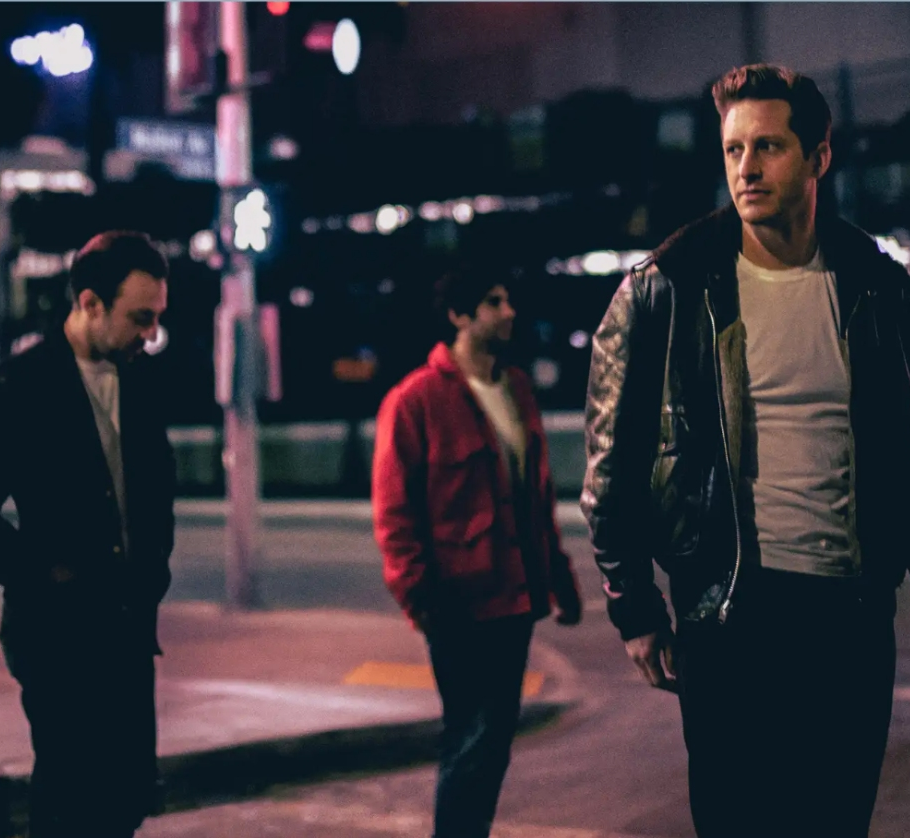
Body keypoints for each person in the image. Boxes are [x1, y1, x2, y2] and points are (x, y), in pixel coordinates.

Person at [582, 63, 910, 838]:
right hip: (731, 617)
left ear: (818, 157)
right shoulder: (666, 287)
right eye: (733, 149)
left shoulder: (873, 285)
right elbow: (609, 467)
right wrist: (634, 607)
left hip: (850, 617)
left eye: (767, 146)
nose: (746, 168)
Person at [0, 231, 176, 838]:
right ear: (90, 303)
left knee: (126, 796)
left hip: (126, 626)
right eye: (140, 318)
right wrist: (43, 574)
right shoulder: (21, 388)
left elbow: (157, 487)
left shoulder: (140, 379)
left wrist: (154, 570)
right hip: (57, 632)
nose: (152, 334)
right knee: (72, 797)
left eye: (156, 318)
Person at [372, 265, 582, 838]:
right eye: (494, 302)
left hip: (515, 599)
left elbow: (536, 495)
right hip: (457, 604)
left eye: (508, 299)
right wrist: (420, 601)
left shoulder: (516, 389)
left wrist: (559, 580)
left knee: (491, 745)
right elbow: (394, 513)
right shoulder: (415, 400)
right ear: (459, 316)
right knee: (471, 741)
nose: (508, 311)